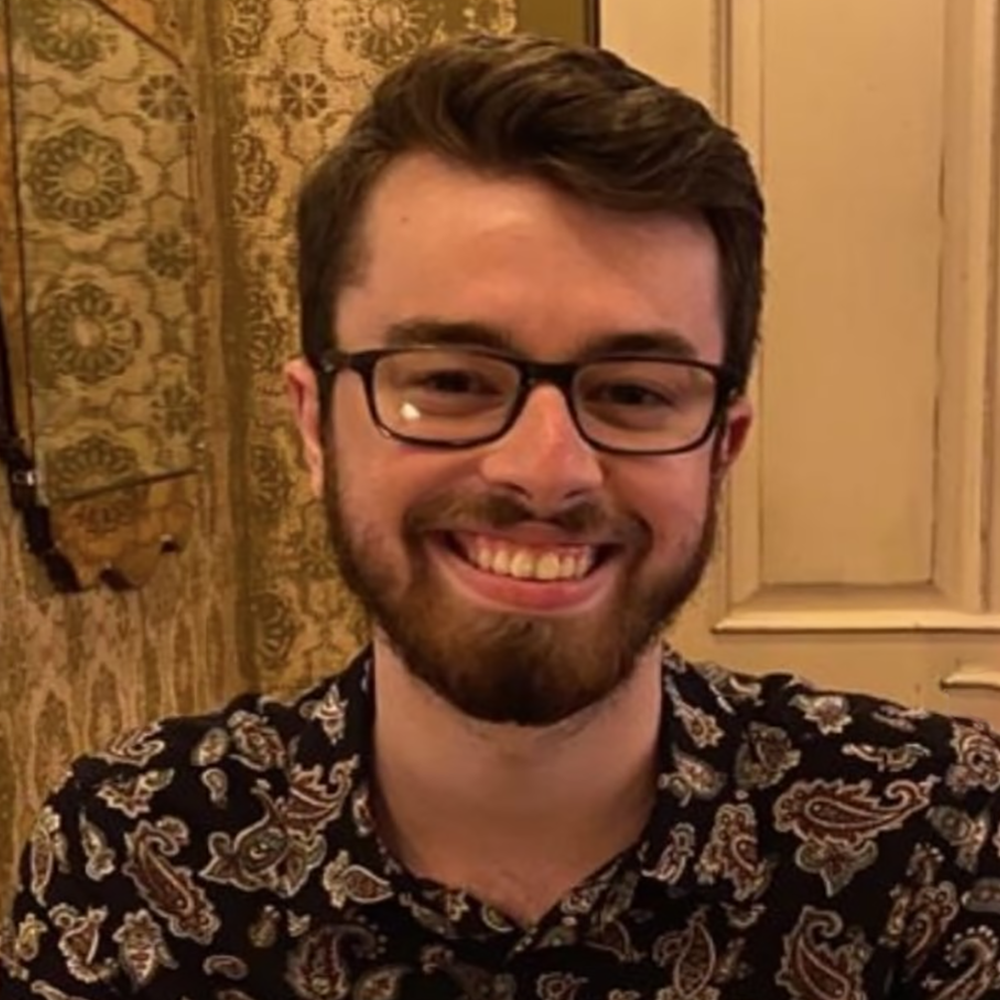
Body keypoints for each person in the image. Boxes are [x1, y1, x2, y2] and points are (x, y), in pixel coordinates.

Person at [3, 31, 1000, 1000]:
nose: (546, 470)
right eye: (447, 379)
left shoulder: (936, 833)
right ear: (315, 427)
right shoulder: (129, 842)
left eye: (635, 392)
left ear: (720, 448)